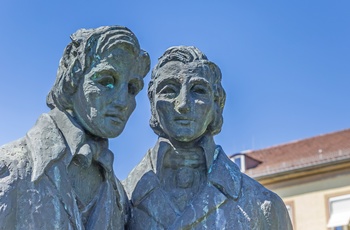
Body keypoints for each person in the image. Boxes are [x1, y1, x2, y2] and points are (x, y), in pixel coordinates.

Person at [124, 46, 293, 229]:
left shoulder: (263, 205)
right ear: (152, 103)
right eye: (169, 90)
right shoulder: (121, 198)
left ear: (217, 104)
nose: (183, 104)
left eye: (198, 90)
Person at [0, 25, 150, 230]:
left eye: (132, 88)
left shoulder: (119, 196)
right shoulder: (10, 168)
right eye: (106, 81)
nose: (123, 101)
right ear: (73, 77)